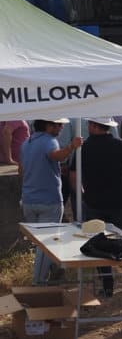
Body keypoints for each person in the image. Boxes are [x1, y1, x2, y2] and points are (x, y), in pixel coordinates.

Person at [71, 117, 122, 296]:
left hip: (94, 203)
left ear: (92, 126)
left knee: (98, 245)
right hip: (120, 202)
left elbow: (73, 176)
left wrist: (83, 195)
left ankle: (107, 285)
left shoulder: (83, 148)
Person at [21, 118, 80, 285]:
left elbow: (22, 169)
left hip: (28, 199)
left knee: (39, 244)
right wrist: (71, 146)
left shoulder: (27, 142)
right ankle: (39, 281)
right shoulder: (50, 141)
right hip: (49, 200)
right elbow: (56, 156)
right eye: (58, 124)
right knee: (45, 244)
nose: (61, 127)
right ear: (48, 126)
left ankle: (50, 274)